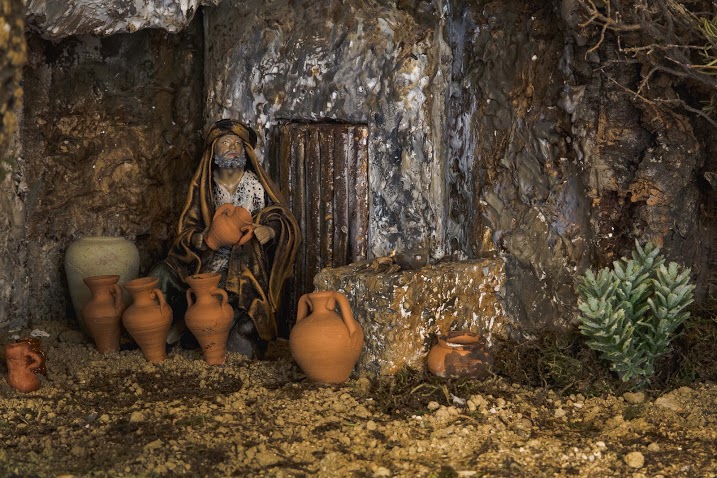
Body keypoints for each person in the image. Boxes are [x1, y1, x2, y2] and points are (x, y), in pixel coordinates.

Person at [150, 119, 300, 358]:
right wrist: (200, 239)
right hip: (204, 259)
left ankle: (197, 331)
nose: (233, 148)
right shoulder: (205, 188)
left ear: (246, 151)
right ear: (213, 151)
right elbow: (187, 229)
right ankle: (161, 331)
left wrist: (269, 231)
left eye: (238, 144)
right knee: (161, 275)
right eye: (226, 143)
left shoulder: (255, 185)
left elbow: (281, 218)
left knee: (222, 299)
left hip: (243, 262)